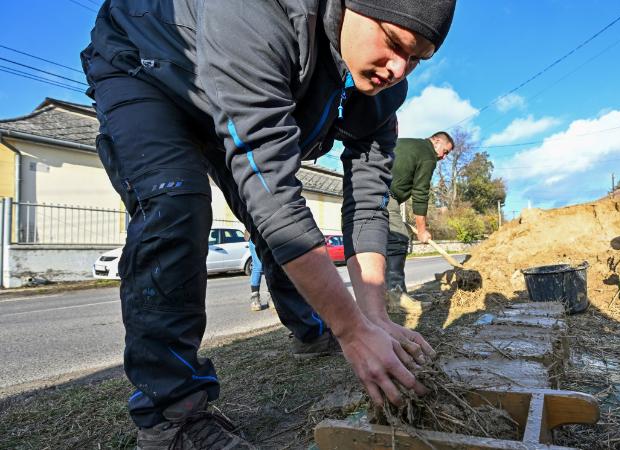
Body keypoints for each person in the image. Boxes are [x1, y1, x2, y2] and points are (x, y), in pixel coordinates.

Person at [81, 0, 456, 447]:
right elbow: (273, 190)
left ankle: (312, 330)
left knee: (274, 232)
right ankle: (171, 417)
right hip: (153, 67)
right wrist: (351, 329)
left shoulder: (384, 91)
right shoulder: (260, 11)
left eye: (415, 58)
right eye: (393, 43)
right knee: (177, 203)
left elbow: (368, 202)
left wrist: (372, 318)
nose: (398, 68)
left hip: (228, 96)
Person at [386, 132, 454, 292]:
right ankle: (396, 296)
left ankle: (381, 297)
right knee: (398, 238)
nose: (443, 157)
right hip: (382, 193)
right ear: (436, 141)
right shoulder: (427, 154)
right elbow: (420, 193)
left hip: (364, 186)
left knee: (380, 242)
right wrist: (422, 231)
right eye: (445, 152)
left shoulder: (407, 142)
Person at [244, 231, 268, 311]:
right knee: (259, 266)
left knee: (267, 265)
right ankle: (255, 298)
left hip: (264, 233)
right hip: (256, 234)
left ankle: (270, 296)